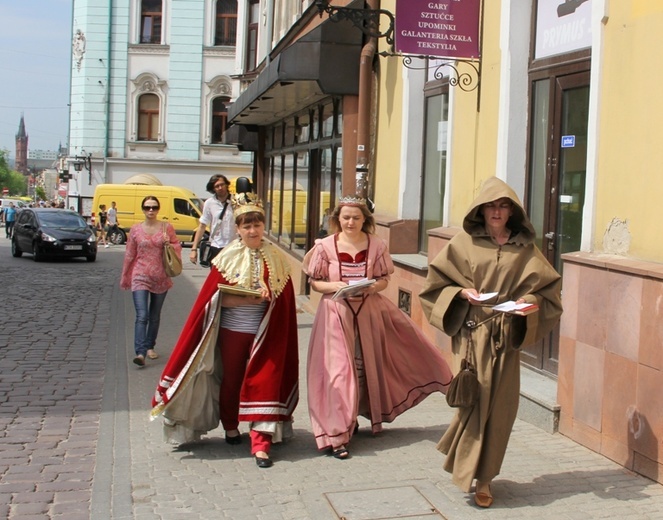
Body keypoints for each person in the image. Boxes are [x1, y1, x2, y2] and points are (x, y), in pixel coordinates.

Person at [419, 177, 563, 508]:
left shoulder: (525, 248)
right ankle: (468, 467)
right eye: (491, 206)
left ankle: (484, 478)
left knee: (500, 411)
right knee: (472, 402)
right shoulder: (463, 243)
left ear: (512, 211)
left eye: (503, 206)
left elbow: (548, 292)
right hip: (471, 334)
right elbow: (434, 286)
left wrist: (525, 301)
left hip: (505, 338)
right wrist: (461, 293)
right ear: (481, 210)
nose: (497, 212)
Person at [151, 192, 299, 469]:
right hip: (233, 330)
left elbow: (285, 300)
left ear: (263, 225)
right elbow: (212, 300)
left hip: (266, 333)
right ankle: (231, 427)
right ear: (238, 228)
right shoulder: (227, 257)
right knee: (232, 380)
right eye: (246, 225)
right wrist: (248, 297)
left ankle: (261, 444)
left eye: (257, 224)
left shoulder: (277, 258)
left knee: (265, 381)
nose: (252, 231)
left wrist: (270, 298)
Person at [302, 196, 453, 460]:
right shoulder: (325, 246)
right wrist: (333, 287)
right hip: (335, 313)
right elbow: (315, 282)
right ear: (338, 219)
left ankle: (354, 416)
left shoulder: (377, 246)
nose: (350, 222)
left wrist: (373, 287)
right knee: (338, 372)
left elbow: (384, 279)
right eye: (346, 217)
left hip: (369, 311)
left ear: (365, 220)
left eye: (356, 217)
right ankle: (336, 434)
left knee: (366, 365)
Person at [120, 196, 182, 367]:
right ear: (143, 209)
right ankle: (140, 353)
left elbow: (177, 246)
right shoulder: (135, 230)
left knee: (154, 316)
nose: (151, 211)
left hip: (160, 276)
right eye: (147, 207)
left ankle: (150, 346)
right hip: (140, 275)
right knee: (142, 315)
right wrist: (125, 275)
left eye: (154, 207)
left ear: (158, 209)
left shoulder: (166, 227)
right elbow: (130, 254)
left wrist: (169, 244)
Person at [189, 174, 234, 267]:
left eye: (222, 184)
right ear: (213, 189)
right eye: (217, 186)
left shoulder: (236, 201)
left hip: (233, 246)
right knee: (215, 278)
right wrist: (193, 249)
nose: (220, 188)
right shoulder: (209, 203)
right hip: (216, 246)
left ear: (226, 185)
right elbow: (202, 226)